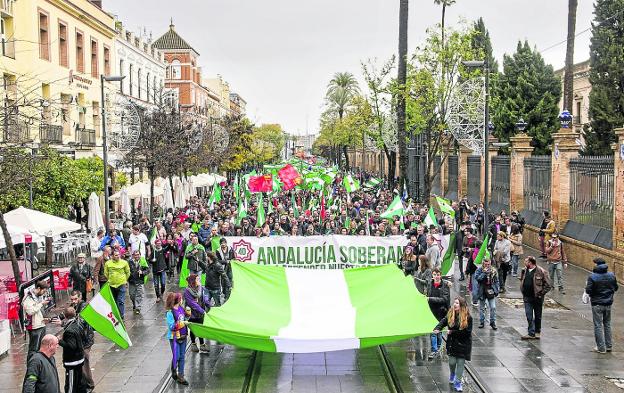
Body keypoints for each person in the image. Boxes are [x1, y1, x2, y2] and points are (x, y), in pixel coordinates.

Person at [433, 297, 473, 392]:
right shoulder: (451, 314)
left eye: (457, 303)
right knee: (452, 362)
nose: (455, 304)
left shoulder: (468, 317)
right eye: (454, 302)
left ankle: (458, 382)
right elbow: (444, 321)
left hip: (463, 344)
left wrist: (452, 332)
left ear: (462, 306)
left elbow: (467, 333)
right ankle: (452, 374)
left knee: (460, 363)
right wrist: (438, 328)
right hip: (452, 344)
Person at [585, 258, 618, 354]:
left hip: (597, 304)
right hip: (608, 303)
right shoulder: (611, 275)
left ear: (596, 265)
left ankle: (601, 347)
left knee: (598, 325)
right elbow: (615, 288)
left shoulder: (592, 277)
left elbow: (588, 291)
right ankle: (608, 346)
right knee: (607, 324)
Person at [520, 256, 552, 339]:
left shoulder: (541, 271)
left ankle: (537, 331)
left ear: (530, 263)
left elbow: (548, 285)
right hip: (527, 297)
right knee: (529, 315)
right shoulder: (524, 270)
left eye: (526, 261)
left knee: (538, 315)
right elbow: (522, 280)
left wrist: (541, 293)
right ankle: (531, 332)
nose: (524, 262)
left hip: (537, 297)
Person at [58, 307, 85, 393]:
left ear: (65, 316)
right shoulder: (78, 324)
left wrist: (60, 341)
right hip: (80, 359)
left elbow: (71, 346)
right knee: (80, 383)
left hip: (72, 362)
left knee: (71, 385)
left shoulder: (69, 330)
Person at [22, 280, 51, 362]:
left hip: (41, 324)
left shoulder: (38, 296)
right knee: (33, 349)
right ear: (38, 288)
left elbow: (38, 311)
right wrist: (41, 303)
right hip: (34, 327)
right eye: (44, 291)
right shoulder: (28, 298)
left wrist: (44, 318)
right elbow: (30, 311)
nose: (44, 293)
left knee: (41, 348)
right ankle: (31, 366)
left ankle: (39, 364)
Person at [165, 292, 190, 385]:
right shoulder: (170, 313)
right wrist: (183, 323)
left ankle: (181, 376)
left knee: (182, 356)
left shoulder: (181, 308)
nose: (182, 300)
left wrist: (188, 314)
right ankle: (174, 369)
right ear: (178, 300)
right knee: (177, 356)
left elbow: (185, 318)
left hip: (183, 336)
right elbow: (172, 326)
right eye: (181, 299)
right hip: (174, 338)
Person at [427, 268, 450, 359]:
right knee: (433, 331)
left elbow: (444, 299)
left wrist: (430, 299)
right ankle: (435, 349)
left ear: (440, 275)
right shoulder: (430, 283)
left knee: (438, 331)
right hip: (431, 312)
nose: (436, 277)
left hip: (441, 311)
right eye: (434, 275)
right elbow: (423, 282)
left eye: (438, 275)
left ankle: (436, 349)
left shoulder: (445, 285)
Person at [184, 274, 210, 353]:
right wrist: (202, 311)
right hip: (192, 313)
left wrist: (209, 305)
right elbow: (192, 304)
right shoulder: (187, 291)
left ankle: (202, 344)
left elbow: (204, 298)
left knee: (200, 327)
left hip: (200, 312)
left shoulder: (201, 288)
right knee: (193, 328)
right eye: (197, 279)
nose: (199, 281)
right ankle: (193, 343)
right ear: (193, 281)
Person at [104, 249, 131, 320]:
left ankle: (121, 316)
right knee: (114, 301)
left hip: (121, 284)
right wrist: (110, 279)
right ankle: (116, 315)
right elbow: (106, 273)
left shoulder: (124, 262)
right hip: (111, 284)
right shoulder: (108, 263)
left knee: (120, 301)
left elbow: (128, 272)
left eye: (119, 255)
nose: (118, 256)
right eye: (116, 255)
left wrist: (124, 280)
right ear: (112, 256)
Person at [474, 257, 499, 330]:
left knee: (493, 307)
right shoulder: (479, 270)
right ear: (483, 264)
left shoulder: (493, 270)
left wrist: (496, 290)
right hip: (482, 290)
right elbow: (477, 278)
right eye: (485, 264)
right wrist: (484, 273)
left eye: (488, 264)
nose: (487, 266)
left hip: (490, 289)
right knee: (482, 308)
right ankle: (482, 322)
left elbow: (497, 281)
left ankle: (492, 322)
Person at [128, 250, 149, 314]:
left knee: (139, 294)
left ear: (140, 255)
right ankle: (134, 304)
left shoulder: (142, 261)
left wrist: (142, 272)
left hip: (140, 281)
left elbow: (148, 270)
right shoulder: (129, 262)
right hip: (132, 281)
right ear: (133, 255)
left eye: (138, 254)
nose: (137, 256)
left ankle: (138, 308)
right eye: (135, 255)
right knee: (132, 295)